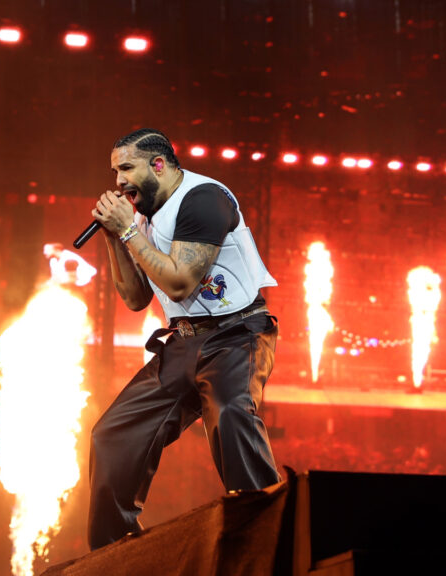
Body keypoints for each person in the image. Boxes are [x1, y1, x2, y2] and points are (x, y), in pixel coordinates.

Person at [86, 128, 281, 550]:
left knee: (230, 416)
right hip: (184, 341)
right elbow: (136, 298)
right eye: (114, 170)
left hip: (236, 334)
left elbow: (179, 284)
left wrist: (126, 233)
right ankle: (114, 555)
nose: (118, 181)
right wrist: (113, 237)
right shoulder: (139, 219)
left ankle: (269, 543)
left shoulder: (204, 199)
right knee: (111, 436)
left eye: (126, 168)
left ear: (158, 165)